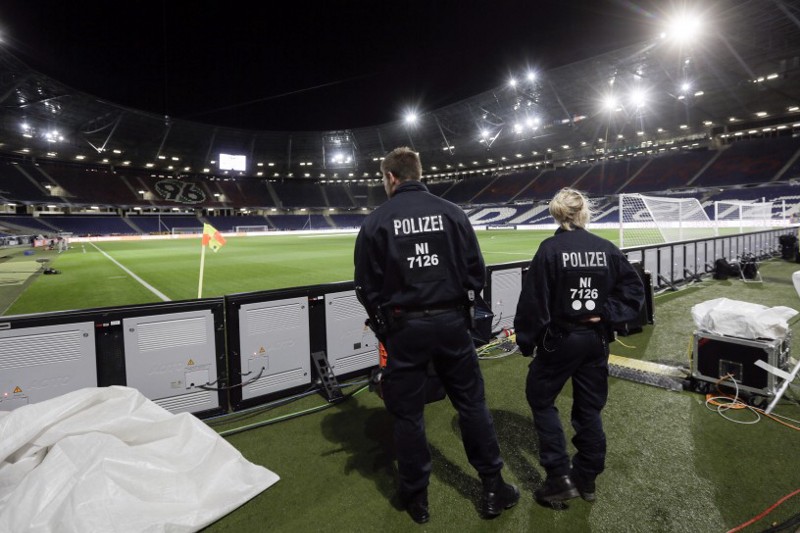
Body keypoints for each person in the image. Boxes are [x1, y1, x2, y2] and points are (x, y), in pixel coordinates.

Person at [354, 147, 518, 524]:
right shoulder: (452, 213)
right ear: (418, 172)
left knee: (408, 414)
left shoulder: (377, 221)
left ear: (391, 178)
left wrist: (385, 330)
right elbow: (476, 272)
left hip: (404, 328)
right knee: (471, 404)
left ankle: (416, 498)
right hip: (451, 324)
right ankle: (493, 486)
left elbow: (365, 286)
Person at [514, 187, 645, 507]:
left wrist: (526, 341)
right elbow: (634, 292)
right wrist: (607, 314)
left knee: (541, 399)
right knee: (589, 409)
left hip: (561, 340)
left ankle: (559, 476)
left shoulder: (549, 250)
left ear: (556, 213)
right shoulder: (606, 249)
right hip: (595, 340)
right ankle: (587, 477)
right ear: (584, 212)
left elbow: (533, 302)